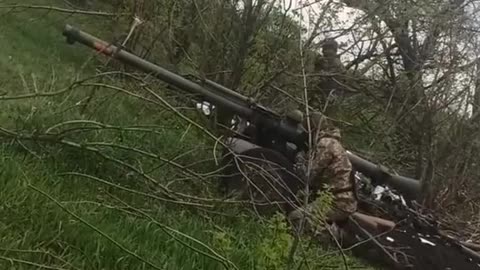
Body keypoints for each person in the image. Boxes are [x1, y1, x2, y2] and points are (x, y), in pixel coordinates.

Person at [288, 112, 358, 244]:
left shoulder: (325, 144)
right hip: (334, 196)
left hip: (338, 201)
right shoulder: (330, 141)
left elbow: (308, 176)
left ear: (312, 129)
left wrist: (299, 157)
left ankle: (340, 237)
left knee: (296, 218)